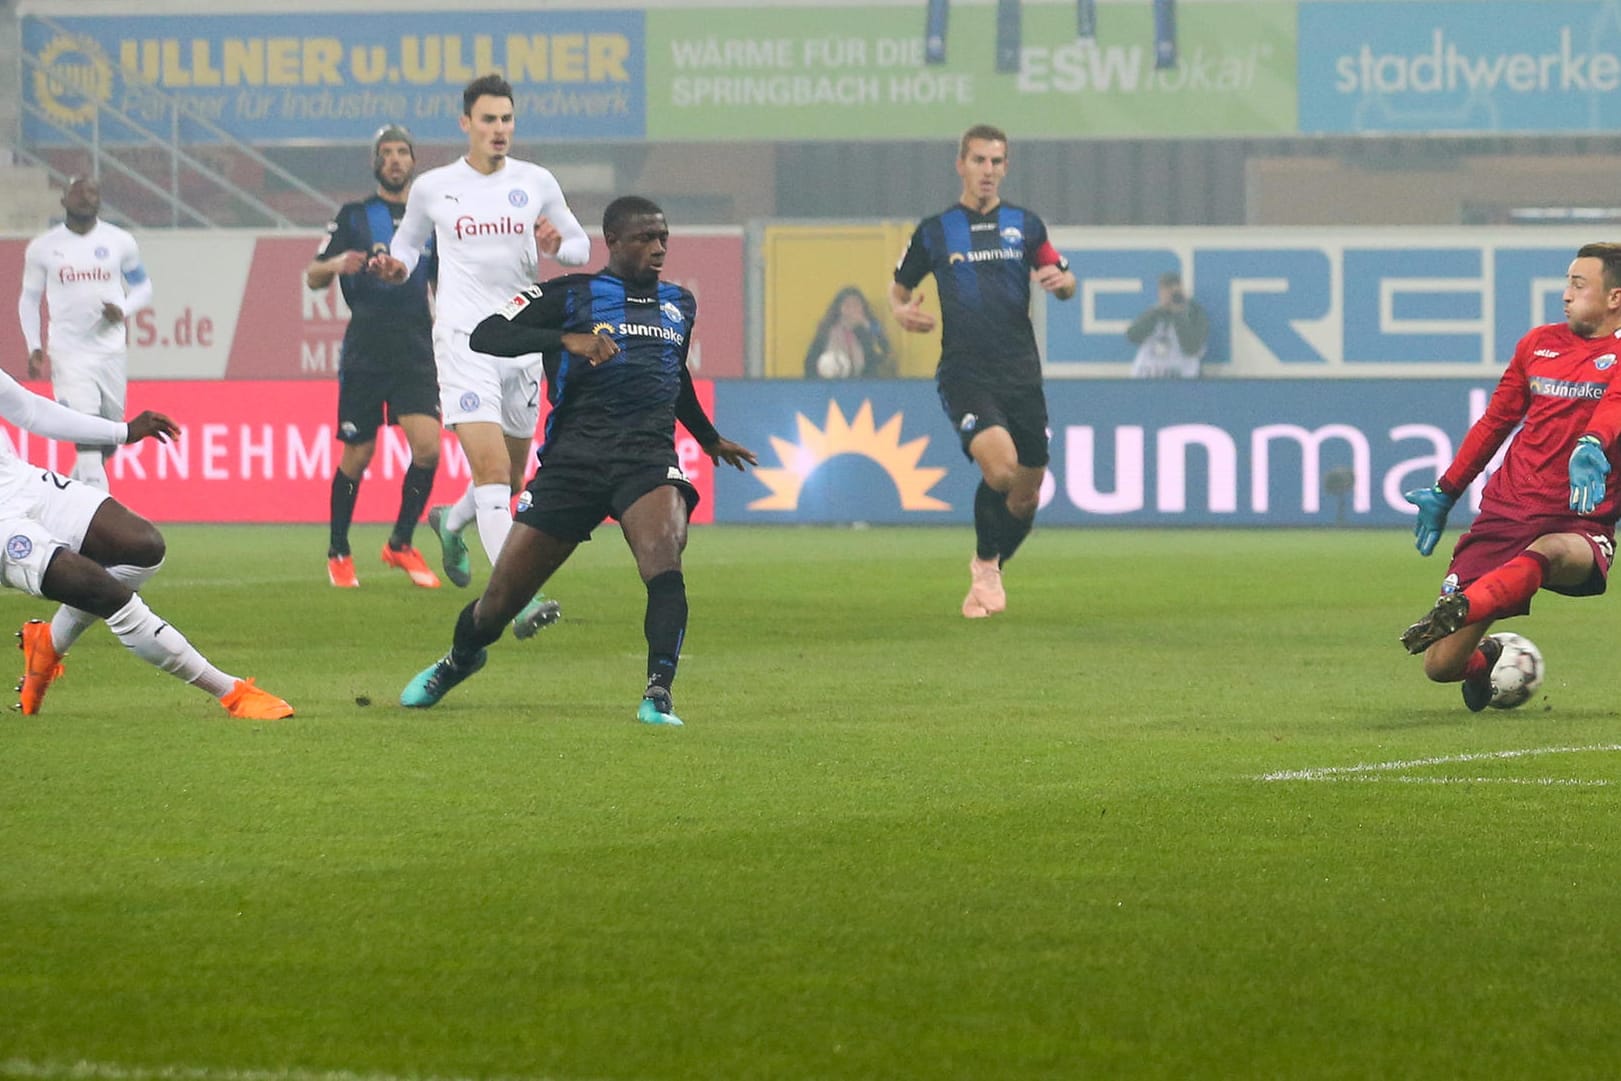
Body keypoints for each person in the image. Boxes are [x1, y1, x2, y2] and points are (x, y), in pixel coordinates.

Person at [398, 195, 757, 726]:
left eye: (663, 238)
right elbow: (487, 334)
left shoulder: (681, 304)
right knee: (497, 605)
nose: (658, 249)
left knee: (665, 562)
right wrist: (565, 340)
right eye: (644, 238)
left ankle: (658, 694)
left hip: (646, 461)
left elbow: (672, 375)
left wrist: (706, 438)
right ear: (612, 241)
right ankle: (458, 661)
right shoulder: (571, 295)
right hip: (572, 465)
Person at [370, 73, 589, 637]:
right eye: (488, 119)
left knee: (512, 480)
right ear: (466, 123)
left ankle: (452, 519)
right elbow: (407, 245)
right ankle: (518, 595)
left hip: (522, 342)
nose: (499, 130)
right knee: (491, 470)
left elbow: (581, 244)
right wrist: (396, 268)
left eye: (507, 119)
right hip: (464, 340)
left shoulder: (535, 181)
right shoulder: (434, 186)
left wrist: (557, 245)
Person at [1399, 241, 1621, 711]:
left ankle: (1466, 606)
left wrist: (1592, 443)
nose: (1565, 294)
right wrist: (1446, 490)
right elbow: (1495, 422)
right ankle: (1486, 658)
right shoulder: (1537, 344)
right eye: (1567, 283)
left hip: (1578, 523)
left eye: (1578, 284)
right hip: (1506, 513)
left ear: (1614, 297)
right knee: (1440, 666)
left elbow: (1614, 407)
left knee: (1550, 551)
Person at [0, 367, 293, 719]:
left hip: (19, 481)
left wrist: (121, 432)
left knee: (141, 546)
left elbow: (30, 409)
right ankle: (231, 693)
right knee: (105, 594)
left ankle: (48, 644)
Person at [889, 123, 1077, 619]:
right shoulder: (935, 230)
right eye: (979, 161)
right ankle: (987, 565)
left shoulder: (1026, 225)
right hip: (966, 371)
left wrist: (1063, 283)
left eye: (996, 162)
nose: (988, 171)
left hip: (1021, 373)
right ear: (961, 164)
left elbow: (1062, 276)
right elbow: (899, 288)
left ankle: (988, 567)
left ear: (1005, 167)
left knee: (1026, 496)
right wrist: (901, 310)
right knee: (1002, 469)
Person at [305, 125, 443, 590]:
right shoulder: (354, 216)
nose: (396, 160)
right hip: (367, 345)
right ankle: (339, 551)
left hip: (416, 345)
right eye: (387, 153)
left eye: (403, 152)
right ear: (375, 163)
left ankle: (400, 543)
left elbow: (442, 282)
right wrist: (334, 264)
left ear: (413, 160)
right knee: (358, 454)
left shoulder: (429, 219)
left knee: (428, 447)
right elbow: (312, 275)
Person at [16, 176, 154, 490]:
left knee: (108, 436)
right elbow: (29, 299)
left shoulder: (120, 241)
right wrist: (34, 346)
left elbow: (143, 287)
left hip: (110, 351)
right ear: (63, 200)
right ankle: (97, 528)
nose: (85, 197)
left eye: (91, 192)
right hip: (68, 352)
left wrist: (123, 309)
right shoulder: (44, 248)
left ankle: (64, 501)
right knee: (88, 436)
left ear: (99, 200)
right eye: (77, 192)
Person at [1126, 270, 1208, 379]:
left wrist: (1178, 313)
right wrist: (1157, 311)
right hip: (1148, 378)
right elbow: (1133, 336)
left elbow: (1192, 348)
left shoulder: (1194, 313)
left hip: (1183, 380)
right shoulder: (1153, 313)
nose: (1170, 293)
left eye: (1175, 288)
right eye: (1166, 288)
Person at [803, 285, 895, 379]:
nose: (852, 309)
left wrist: (867, 325)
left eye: (856, 305)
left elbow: (883, 351)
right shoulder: (827, 330)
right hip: (830, 386)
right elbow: (810, 362)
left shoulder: (871, 327)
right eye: (847, 305)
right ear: (839, 308)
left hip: (863, 383)